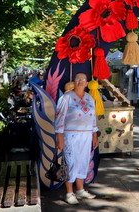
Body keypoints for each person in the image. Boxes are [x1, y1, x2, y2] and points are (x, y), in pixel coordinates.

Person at [55, 73, 99, 205]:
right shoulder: (66, 97)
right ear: (74, 82)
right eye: (78, 79)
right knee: (70, 162)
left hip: (86, 135)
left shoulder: (90, 98)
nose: (81, 81)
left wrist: (94, 135)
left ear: (86, 83)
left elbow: (93, 118)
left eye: (83, 79)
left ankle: (80, 190)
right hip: (70, 135)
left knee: (83, 161)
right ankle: (69, 193)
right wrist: (60, 137)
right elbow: (59, 118)